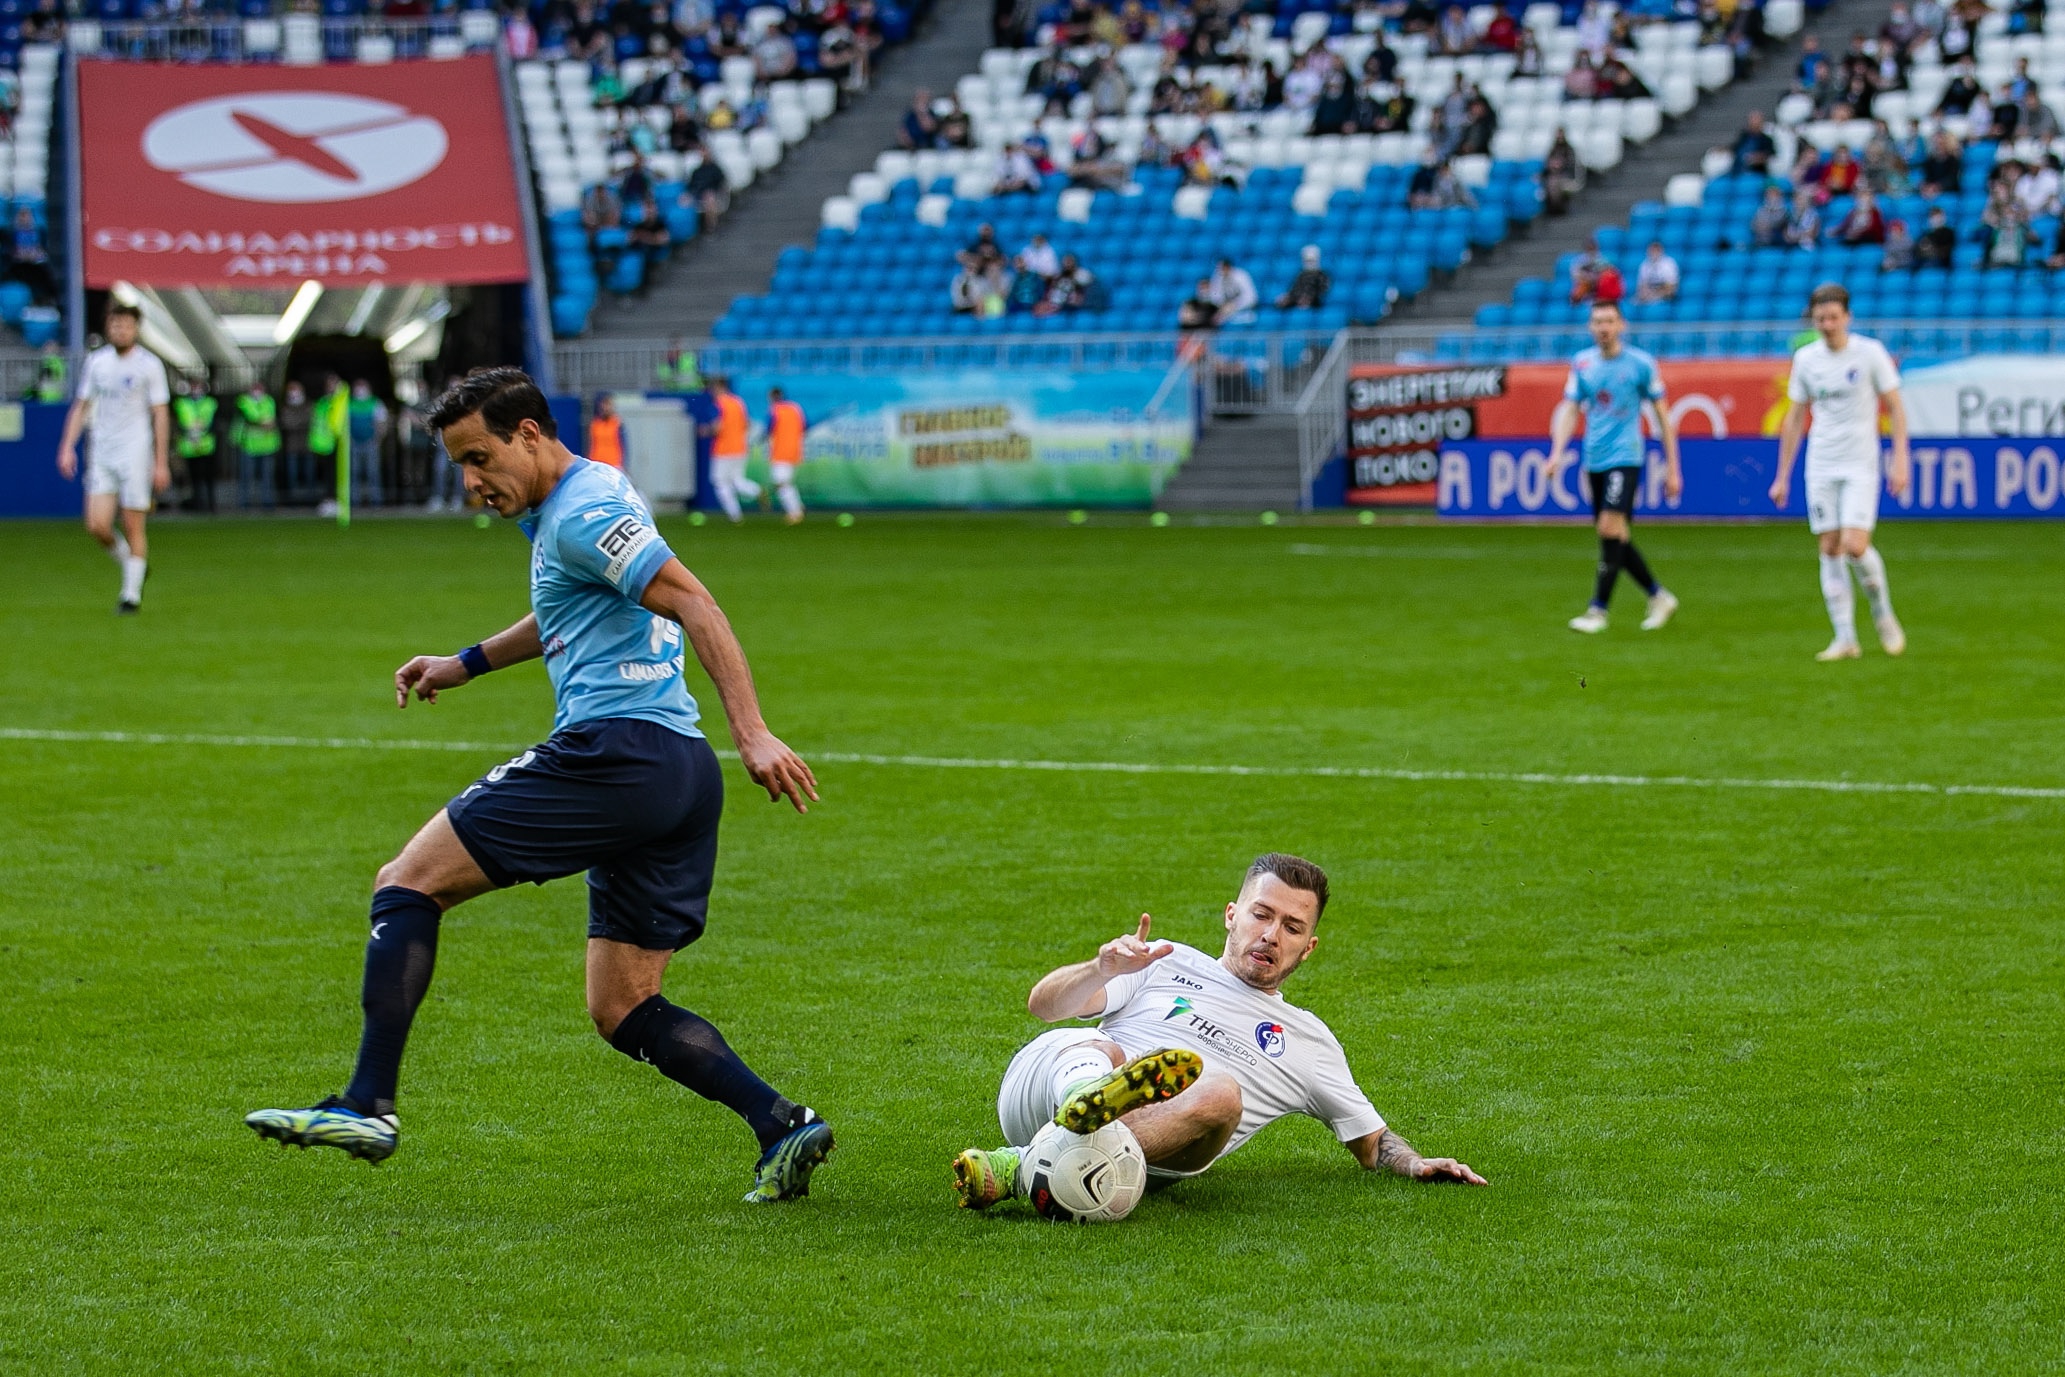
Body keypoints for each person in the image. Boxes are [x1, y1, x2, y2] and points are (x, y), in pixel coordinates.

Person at [243, 368, 833, 1204]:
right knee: (622, 1003)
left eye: (478, 458)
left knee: (405, 883)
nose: (472, 483)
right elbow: (565, 606)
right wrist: (466, 663)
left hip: (617, 754)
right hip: (674, 771)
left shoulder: (585, 514)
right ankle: (782, 1123)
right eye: (459, 466)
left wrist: (755, 732)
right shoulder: (583, 498)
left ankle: (367, 1101)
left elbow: (697, 603)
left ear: (527, 433)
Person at [949, 854, 1487, 1211]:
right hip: (1038, 1091)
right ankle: (1082, 1102)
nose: (1271, 935)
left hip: (1135, 1161)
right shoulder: (1163, 960)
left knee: (1219, 1091)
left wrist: (1416, 1163)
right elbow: (1044, 1007)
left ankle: (1025, 1166)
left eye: (1292, 927)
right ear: (1232, 915)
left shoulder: (1309, 1042)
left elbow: (1371, 1141)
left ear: (1309, 946)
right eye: (1261, 915)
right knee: (1105, 1048)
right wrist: (1102, 968)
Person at [1767, 284, 1910, 661]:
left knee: (1855, 545)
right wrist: (1782, 475)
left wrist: (1900, 459)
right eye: (1820, 319)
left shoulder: (1869, 354)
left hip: (1860, 463)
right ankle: (1845, 637)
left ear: (1847, 317)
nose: (1827, 325)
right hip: (1821, 464)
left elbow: (1895, 407)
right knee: (1829, 547)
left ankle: (1882, 610)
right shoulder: (1806, 359)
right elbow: (1795, 417)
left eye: (1833, 318)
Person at [1547, 300, 1682, 635]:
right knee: (1615, 535)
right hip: (1594, 458)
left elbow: (1663, 417)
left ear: (1621, 325)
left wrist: (1673, 467)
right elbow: (1570, 409)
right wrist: (1557, 451)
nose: (1603, 328)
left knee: (1609, 528)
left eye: (1609, 321)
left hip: (1626, 456)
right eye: (1597, 322)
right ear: (1590, 327)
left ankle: (1598, 610)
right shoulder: (1582, 364)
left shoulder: (1640, 364)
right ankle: (1657, 595)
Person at [55, 301, 170, 614]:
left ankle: (130, 596)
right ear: (109, 328)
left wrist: (161, 461)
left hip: (135, 450)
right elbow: (82, 406)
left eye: (126, 325)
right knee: (96, 525)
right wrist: (67, 446)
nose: (120, 330)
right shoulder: (97, 362)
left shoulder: (149, 365)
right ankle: (133, 564)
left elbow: (160, 413)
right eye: (115, 325)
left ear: (135, 329)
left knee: (133, 523)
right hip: (102, 450)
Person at [708, 374, 762, 523]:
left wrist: (705, 431)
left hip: (723, 449)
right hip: (740, 447)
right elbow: (748, 424)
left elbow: (717, 428)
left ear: (719, 387)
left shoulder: (719, 403)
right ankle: (756, 490)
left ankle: (735, 515)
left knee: (720, 482)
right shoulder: (738, 402)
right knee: (737, 481)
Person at [172, 376, 219, 515]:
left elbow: (213, 422)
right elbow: (180, 422)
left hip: (206, 445)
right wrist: (190, 431)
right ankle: (198, 504)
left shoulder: (210, 403)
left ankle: (210, 504)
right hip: (190, 446)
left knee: (208, 476)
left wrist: (202, 431)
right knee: (194, 478)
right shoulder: (182, 403)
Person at [232, 380, 281, 512]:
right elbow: (251, 417)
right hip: (249, 445)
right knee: (246, 476)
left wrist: (263, 421)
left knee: (267, 476)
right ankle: (244, 502)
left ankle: (267, 502)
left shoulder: (269, 401)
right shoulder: (243, 401)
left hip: (267, 445)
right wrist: (263, 422)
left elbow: (271, 418)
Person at [766, 386, 806, 524]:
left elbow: (769, 428)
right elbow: (805, 425)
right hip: (795, 451)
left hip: (781, 452)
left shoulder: (774, 410)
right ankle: (797, 505)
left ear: (772, 397)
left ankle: (794, 512)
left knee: (780, 484)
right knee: (786, 482)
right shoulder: (795, 408)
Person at [347, 380, 389, 509]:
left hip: (371, 442)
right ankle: (354, 501)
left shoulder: (375, 403)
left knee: (373, 472)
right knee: (354, 473)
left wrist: (378, 440)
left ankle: (376, 501)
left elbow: (382, 422)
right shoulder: (350, 404)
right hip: (354, 442)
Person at [279, 381, 313, 504]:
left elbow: (310, 420)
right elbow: (287, 422)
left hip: (307, 445)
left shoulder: (308, 405)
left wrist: (296, 422)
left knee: (309, 474)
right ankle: (292, 500)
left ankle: (310, 499)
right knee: (291, 474)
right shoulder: (286, 407)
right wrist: (300, 423)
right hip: (291, 446)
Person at [1204, 257, 1258, 325]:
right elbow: (1215, 296)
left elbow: (1252, 297)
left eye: (1222, 269)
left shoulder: (1241, 275)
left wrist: (1234, 305)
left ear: (1228, 267)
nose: (1219, 272)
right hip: (1225, 310)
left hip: (1245, 309)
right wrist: (1222, 305)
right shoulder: (1218, 276)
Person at [588, 392, 626, 470]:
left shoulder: (617, 423)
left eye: (608, 404)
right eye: (604, 405)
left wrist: (623, 464)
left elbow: (623, 445)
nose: (606, 408)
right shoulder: (595, 424)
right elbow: (591, 444)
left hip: (613, 463)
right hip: (597, 463)